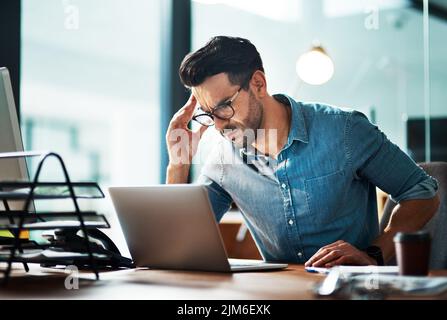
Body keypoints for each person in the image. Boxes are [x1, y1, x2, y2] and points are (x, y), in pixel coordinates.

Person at [165, 36, 439, 267]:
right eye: (209, 114)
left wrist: (373, 255)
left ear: (258, 84)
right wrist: (178, 165)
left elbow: (423, 192)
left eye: (224, 107)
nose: (218, 126)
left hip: (350, 292)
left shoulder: (344, 131)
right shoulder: (225, 160)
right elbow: (179, 243)